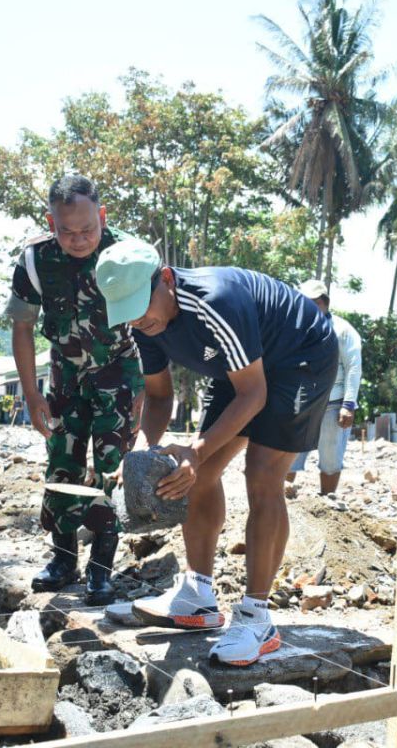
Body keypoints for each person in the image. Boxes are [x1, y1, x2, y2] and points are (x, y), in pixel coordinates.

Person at [97, 239, 338, 667]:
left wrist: (197, 449)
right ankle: (199, 598)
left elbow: (255, 392)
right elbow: (158, 396)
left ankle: (257, 618)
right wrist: (142, 456)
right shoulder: (144, 322)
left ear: (166, 280)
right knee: (200, 474)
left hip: (300, 356)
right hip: (240, 366)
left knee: (261, 473)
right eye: (131, 312)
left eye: (143, 307)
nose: (141, 320)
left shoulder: (215, 301)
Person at [5, 174, 143, 605]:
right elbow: (22, 326)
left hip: (118, 374)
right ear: (51, 222)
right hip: (64, 374)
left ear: (102, 215)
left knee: (109, 465)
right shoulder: (35, 260)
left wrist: (146, 392)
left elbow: (156, 325)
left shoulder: (128, 255)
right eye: (67, 231)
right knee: (62, 463)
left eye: (88, 229)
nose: (79, 239)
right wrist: (31, 393)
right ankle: (64, 559)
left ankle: (101, 570)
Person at [284, 279, 362, 495]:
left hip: (334, 404)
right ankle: (283, 498)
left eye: (316, 303)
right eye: (306, 303)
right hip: (302, 403)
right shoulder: (294, 330)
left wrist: (349, 405)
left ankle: (327, 501)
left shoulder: (343, 330)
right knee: (289, 454)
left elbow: (354, 368)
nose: (311, 308)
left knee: (330, 457)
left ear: (325, 303)